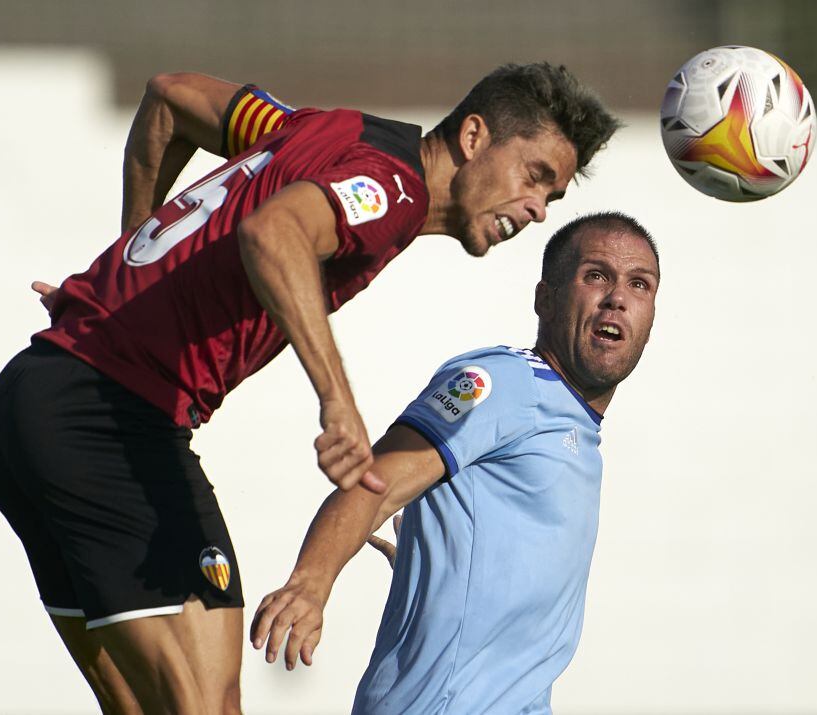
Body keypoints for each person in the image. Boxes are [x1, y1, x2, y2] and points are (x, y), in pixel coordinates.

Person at [0, 64, 618, 714]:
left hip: (27, 400)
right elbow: (274, 230)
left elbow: (170, 98)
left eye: (552, 197)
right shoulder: (393, 188)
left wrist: (123, 276)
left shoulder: (318, 128)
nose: (537, 208)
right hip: (111, 417)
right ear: (474, 136)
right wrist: (336, 398)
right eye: (534, 175)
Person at [250, 212, 659, 714]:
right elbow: (377, 482)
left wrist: (447, 576)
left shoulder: (577, 427)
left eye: (639, 284)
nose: (617, 296)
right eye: (596, 275)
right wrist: (310, 585)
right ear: (545, 299)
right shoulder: (505, 382)